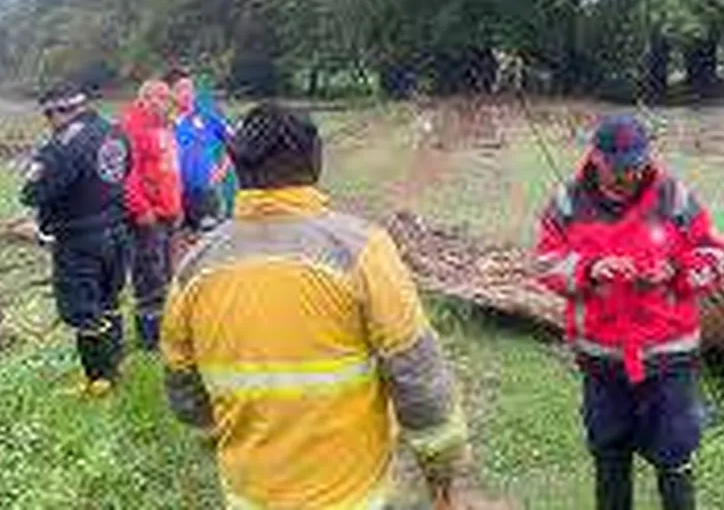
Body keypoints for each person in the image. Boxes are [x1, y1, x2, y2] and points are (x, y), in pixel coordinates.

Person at [161, 102, 474, 510]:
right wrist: (440, 463)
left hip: (250, 494)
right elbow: (415, 367)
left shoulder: (194, 268)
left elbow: (183, 387)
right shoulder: (364, 250)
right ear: (316, 162)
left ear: (238, 169)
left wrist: (217, 436)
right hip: (351, 496)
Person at [533, 114, 724, 510]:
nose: (628, 175)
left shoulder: (674, 195)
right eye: (618, 167)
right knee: (609, 452)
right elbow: (545, 263)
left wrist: (675, 272)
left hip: (669, 356)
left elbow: (713, 255)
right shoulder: (567, 201)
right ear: (596, 157)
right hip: (601, 359)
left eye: (636, 165)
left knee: (675, 454)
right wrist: (591, 269)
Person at [19, 82, 132, 397]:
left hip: (79, 239)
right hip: (117, 232)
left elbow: (32, 192)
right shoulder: (115, 132)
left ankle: (99, 382)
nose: (49, 123)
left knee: (83, 311)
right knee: (110, 302)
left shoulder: (62, 146)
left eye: (48, 116)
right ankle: (115, 367)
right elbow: (125, 172)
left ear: (56, 112)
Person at [120, 79, 183, 351]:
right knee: (149, 275)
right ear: (142, 99)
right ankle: (149, 341)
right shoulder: (132, 128)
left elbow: (170, 171)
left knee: (167, 274)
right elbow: (126, 174)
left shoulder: (166, 127)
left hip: (168, 213)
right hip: (148, 216)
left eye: (165, 98)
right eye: (154, 98)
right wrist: (140, 208)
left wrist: (177, 207)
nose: (161, 103)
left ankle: (166, 331)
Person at [171, 76, 237, 232]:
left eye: (189, 89)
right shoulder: (163, 121)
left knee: (207, 245)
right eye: (180, 89)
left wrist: (221, 171)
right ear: (170, 94)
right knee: (179, 247)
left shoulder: (207, 117)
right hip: (172, 195)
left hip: (205, 193)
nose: (186, 94)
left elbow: (235, 143)